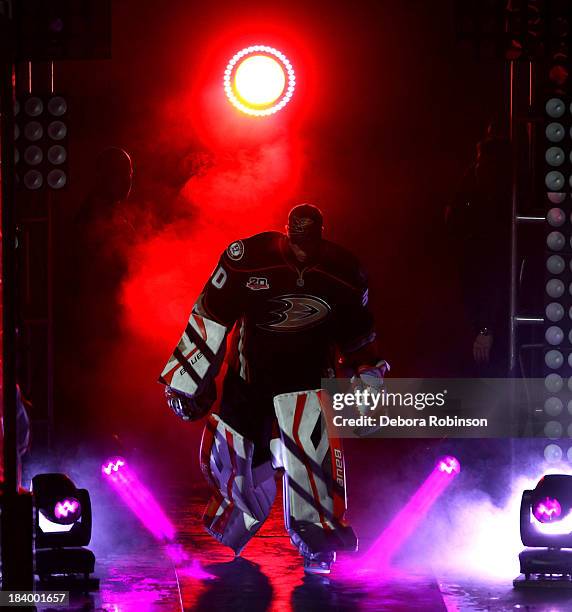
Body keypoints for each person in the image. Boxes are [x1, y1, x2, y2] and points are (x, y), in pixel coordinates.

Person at [160, 204, 388, 574]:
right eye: (297, 242)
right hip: (250, 379)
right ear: (286, 233)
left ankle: (317, 540)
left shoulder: (344, 272)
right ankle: (238, 520)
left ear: (321, 235)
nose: (303, 250)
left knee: (315, 469)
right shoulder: (248, 258)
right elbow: (211, 314)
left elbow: (358, 335)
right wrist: (186, 379)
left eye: (310, 242)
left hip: (309, 383)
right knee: (234, 464)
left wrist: (368, 373)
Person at [445, 123, 512, 375]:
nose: (476, 167)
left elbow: (496, 277)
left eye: (480, 162)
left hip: (491, 325)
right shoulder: (481, 209)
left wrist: (485, 328)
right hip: (484, 320)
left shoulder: (494, 225)